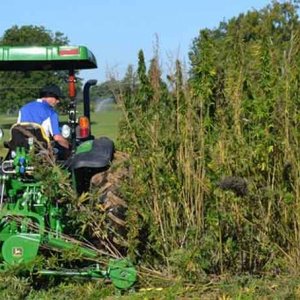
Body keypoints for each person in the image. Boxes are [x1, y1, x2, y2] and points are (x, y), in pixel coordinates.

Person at [17, 84, 70, 153]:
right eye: (57, 98)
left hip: (22, 149)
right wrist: (69, 148)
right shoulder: (51, 112)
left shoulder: (23, 109)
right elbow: (57, 138)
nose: (58, 101)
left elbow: (17, 129)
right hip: (42, 150)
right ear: (49, 97)